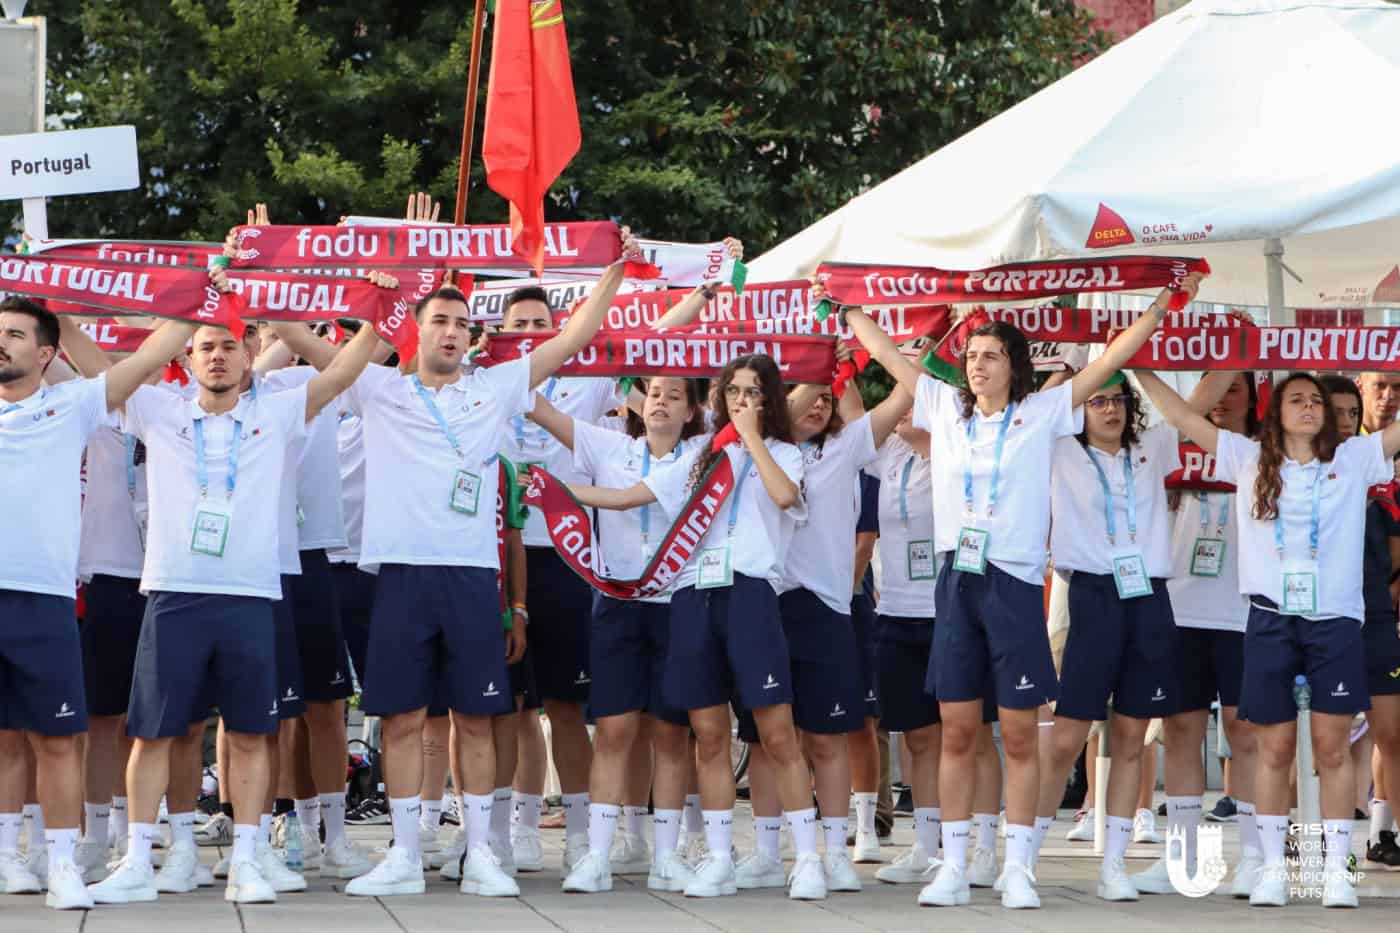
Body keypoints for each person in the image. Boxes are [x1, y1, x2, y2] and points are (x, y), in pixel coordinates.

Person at [273, 231, 640, 899]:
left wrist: (615, 269)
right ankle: (407, 852)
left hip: (473, 578)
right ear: (413, 329)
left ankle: (480, 852)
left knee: (477, 717)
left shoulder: (495, 387)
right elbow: (303, 341)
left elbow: (573, 339)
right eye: (439, 319)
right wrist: (257, 266)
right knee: (405, 717)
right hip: (404, 576)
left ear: (474, 336)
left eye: (462, 323)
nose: (451, 331)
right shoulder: (379, 388)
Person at [842, 271, 1202, 910]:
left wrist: (1162, 309)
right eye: (971, 357)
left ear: (1014, 367)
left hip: (1012, 581)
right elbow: (889, 358)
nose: (977, 366)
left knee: (1015, 733)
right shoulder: (943, 411)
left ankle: (1019, 866)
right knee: (955, 728)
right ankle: (953, 866)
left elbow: (1111, 361)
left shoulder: (1042, 415)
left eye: (990, 356)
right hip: (957, 581)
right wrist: (842, 306)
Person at [87, 269, 398, 906]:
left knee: (254, 732)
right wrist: (60, 313)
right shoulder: (158, 409)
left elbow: (341, 374)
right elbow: (104, 373)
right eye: (206, 345)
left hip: (253, 595)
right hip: (174, 592)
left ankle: (249, 860)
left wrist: (384, 305)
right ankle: (141, 859)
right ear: (187, 356)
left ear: (251, 352)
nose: (219, 355)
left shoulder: (280, 410)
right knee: (155, 732)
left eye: (230, 344)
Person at [1134, 368, 1400, 909]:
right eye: (1295, 399)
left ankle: (1338, 871)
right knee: (1275, 748)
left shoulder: (1354, 459)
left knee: (1331, 748)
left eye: (1315, 401)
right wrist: (1140, 368)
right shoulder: (1248, 456)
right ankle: (1273, 869)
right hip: (1269, 618)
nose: (1307, 407)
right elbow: (1183, 417)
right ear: (1275, 411)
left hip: (1335, 621)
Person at [563, 354, 813, 899]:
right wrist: (556, 495)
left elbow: (783, 495)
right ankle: (719, 857)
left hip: (751, 593)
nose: (743, 403)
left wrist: (748, 440)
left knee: (775, 731)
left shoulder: (784, 453)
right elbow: (633, 496)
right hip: (694, 596)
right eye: (734, 393)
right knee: (707, 734)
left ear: (769, 401)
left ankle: (810, 858)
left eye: (754, 393)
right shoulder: (702, 454)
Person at [0, 297, 195, 910]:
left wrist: (210, 292)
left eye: (13, 334)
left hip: (44, 598)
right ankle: (8, 856)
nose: (0, 342)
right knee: (4, 742)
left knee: (56, 740)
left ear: (47, 352)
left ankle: (63, 864)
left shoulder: (72, 404)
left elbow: (151, 356)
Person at [525, 376, 708, 893]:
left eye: (675, 397)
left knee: (671, 734)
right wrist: (504, 355)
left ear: (693, 411)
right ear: (638, 401)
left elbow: (627, 500)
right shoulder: (610, 446)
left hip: (676, 607)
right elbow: (539, 408)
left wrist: (553, 491)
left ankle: (667, 855)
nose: (662, 403)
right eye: (654, 394)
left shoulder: (700, 453)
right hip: (618, 608)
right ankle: (598, 854)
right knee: (613, 730)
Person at [735, 380, 911, 899]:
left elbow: (905, 393)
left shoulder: (846, 446)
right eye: (806, 395)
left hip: (827, 609)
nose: (817, 404)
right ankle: (767, 854)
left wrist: (851, 334)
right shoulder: (751, 447)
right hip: (764, 603)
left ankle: (834, 853)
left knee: (827, 738)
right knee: (765, 739)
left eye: (826, 398)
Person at [1036, 372, 1182, 901]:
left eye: (1118, 400)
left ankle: (1115, 862)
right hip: (1093, 595)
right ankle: (1024, 856)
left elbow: (1202, 400)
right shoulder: (1059, 449)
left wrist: (1143, 369)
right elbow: (1039, 405)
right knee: (1067, 736)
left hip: (1148, 596)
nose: (1110, 409)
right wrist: (1075, 364)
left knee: (1131, 736)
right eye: (1097, 400)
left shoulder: (1151, 445)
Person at [1132, 372, 1264, 898]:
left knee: (1247, 736)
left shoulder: (1262, 453)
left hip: (1245, 613)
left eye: (1234, 387)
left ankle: (1256, 857)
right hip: (1180, 612)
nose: (1223, 399)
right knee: (1181, 735)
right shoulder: (1171, 451)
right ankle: (1186, 861)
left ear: (1254, 396)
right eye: (1215, 387)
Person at [1326, 376, 1400, 869]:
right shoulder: (1291, 469)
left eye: (1350, 414)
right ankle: (1322, 844)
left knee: (1389, 732)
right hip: (1320, 615)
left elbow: (1394, 549)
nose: (1344, 421)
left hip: (1375, 610)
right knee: (1322, 739)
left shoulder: (1374, 464)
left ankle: (1381, 834)